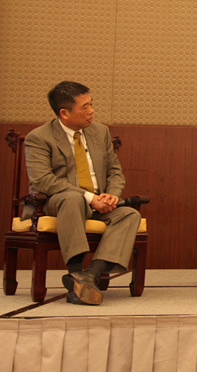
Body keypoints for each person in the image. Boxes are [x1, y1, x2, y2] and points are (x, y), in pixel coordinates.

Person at [24, 81, 141, 305]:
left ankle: (88, 275)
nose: (92, 111)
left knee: (130, 215)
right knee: (73, 199)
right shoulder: (39, 137)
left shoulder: (100, 132)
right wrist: (89, 198)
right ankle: (75, 268)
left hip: (98, 202)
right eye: (85, 107)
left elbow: (115, 171)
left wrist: (111, 195)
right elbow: (44, 181)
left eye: (92, 104)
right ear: (64, 113)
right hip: (56, 202)